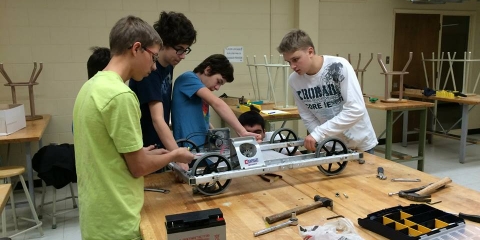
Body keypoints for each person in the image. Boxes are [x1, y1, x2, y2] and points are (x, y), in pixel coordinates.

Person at [73, 15, 194, 240]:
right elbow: (138, 168)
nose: (154, 65)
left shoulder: (90, 87)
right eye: (153, 57)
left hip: (96, 218)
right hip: (118, 220)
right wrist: (175, 154)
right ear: (136, 48)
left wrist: (141, 153)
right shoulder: (121, 96)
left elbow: (103, 151)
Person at [276, 29, 377, 153]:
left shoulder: (339, 66)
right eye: (288, 62)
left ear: (310, 51)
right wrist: (322, 140)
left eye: (295, 59)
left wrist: (318, 134)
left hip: (360, 144)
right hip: (330, 146)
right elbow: (308, 116)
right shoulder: (294, 80)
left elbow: (356, 109)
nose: (292, 66)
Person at [129, 11, 197, 171]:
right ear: (163, 43)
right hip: (147, 148)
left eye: (186, 50)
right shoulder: (149, 72)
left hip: (160, 144)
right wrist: (178, 156)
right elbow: (157, 119)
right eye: (179, 49)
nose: (182, 56)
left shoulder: (168, 66)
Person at [171, 54, 261, 148]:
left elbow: (204, 120)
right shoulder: (187, 78)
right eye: (218, 81)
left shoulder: (200, 91)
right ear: (208, 70)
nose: (217, 88)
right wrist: (242, 131)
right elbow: (217, 103)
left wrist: (217, 139)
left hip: (202, 149)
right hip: (188, 149)